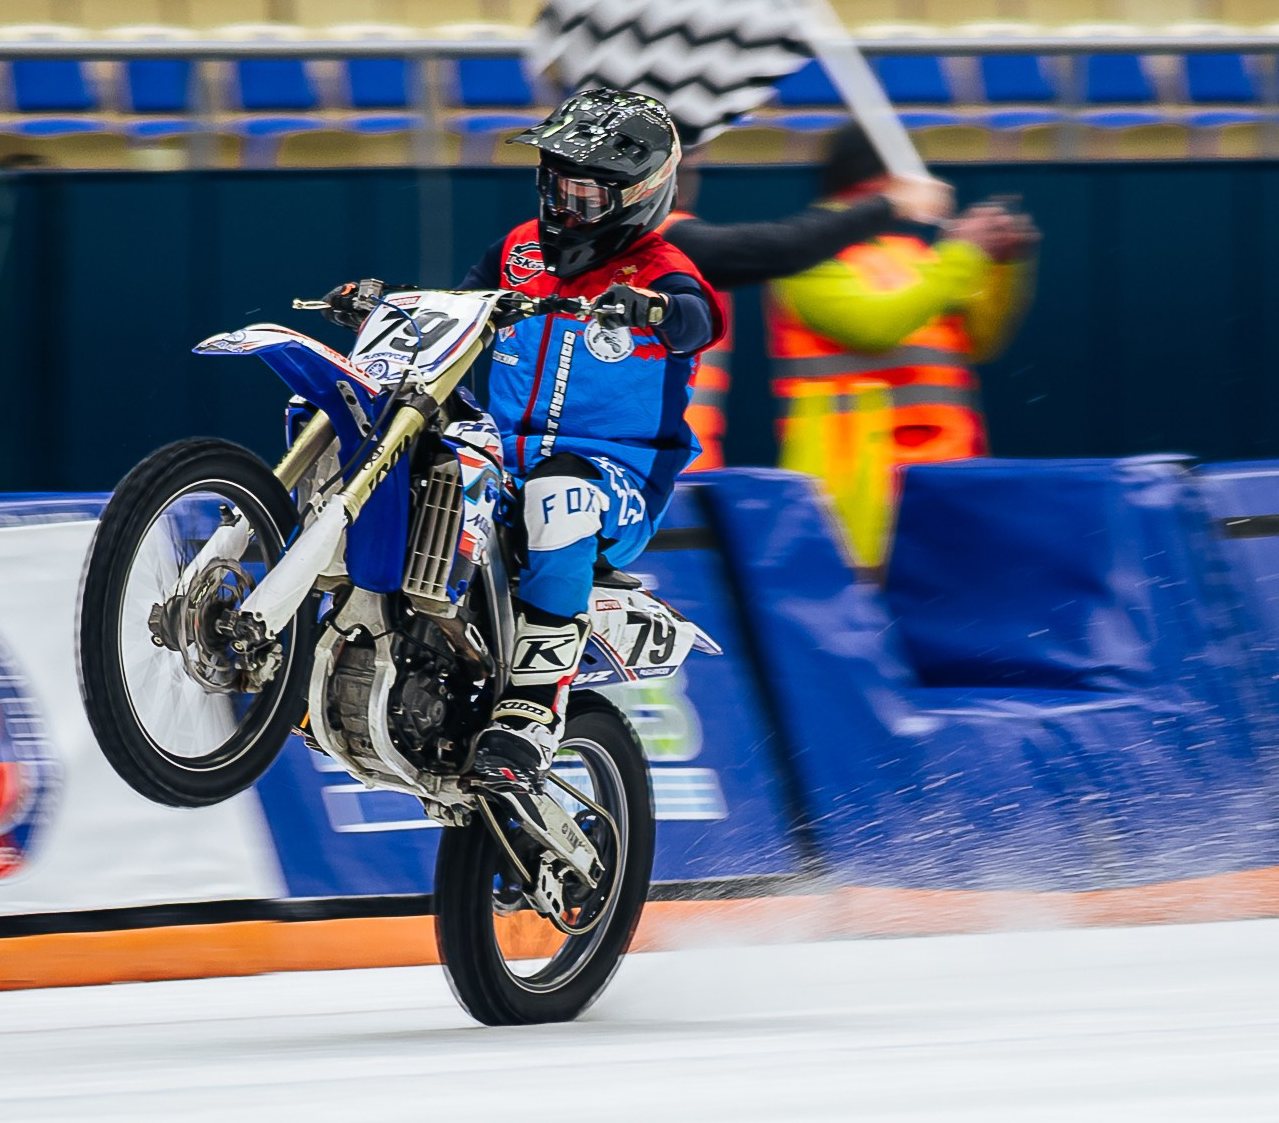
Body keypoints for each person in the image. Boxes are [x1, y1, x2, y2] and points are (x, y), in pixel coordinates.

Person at [336, 88, 724, 785]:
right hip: (501, 455)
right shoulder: (516, 248)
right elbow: (457, 308)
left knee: (561, 490)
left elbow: (700, 320)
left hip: (616, 480)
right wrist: (386, 307)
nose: (565, 208)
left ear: (640, 194)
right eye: (558, 186)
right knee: (400, 445)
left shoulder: (665, 271)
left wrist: (654, 309)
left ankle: (533, 708)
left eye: (588, 195)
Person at [651, 154, 957, 470]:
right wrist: (891, 203)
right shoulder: (655, 242)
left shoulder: (667, 251)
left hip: (672, 472)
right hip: (640, 473)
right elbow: (784, 249)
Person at [768, 123, 1036, 476]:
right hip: (849, 481)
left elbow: (975, 343)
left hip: (947, 473)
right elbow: (874, 327)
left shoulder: (910, 251)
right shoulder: (807, 252)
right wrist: (965, 251)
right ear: (879, 179)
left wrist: (1000, 265)